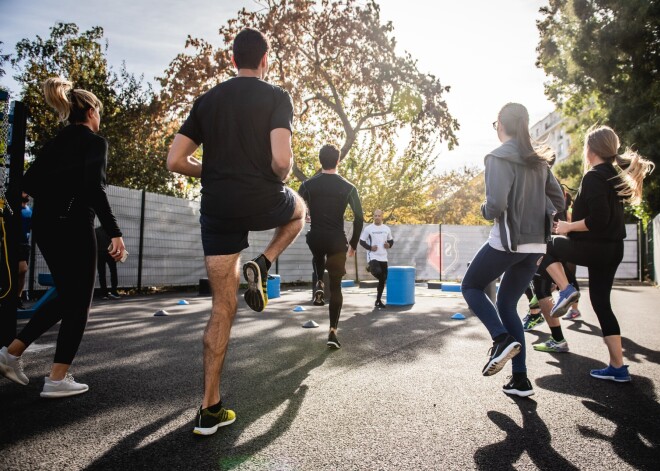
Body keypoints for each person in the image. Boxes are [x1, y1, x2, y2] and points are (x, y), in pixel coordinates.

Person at [166, 28, 305, 436]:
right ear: (265, 61)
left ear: (232, 61)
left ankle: (210, 408)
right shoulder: (277, 97)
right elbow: (281, 161)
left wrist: (210, 170)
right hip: (263, 199)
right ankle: (263, 261)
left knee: (221, 309)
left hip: (219, 209)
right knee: (299, 211)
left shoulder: (207, 101)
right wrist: (280, 174)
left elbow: (175, 160)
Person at [0, 77, 126, 398]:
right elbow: (94, 189)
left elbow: (27, 183)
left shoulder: (56, 142)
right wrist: (114, 233)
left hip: (46, 227)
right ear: (90, 111)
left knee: (66, 295)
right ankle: (56, 378)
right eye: (99, 112)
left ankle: (11, 353)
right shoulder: (95, 143)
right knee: (79, 301)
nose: (100, 118)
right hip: (73, 227)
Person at [460, 103, 565, 397]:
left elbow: (495, 206)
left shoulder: (496, 156)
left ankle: (500, 338)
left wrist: (483, 209)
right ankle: (520, 379)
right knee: (507, 304)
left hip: (508, 241)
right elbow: (559, 201)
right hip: (535, 246)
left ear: (501, 126)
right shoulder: (540, 161)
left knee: (470, 285)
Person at [540, 125, 654, 382]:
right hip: (613, 249)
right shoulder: (613, 176)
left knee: (543, 246)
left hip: (595, 247)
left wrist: (569, 226)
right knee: (602, 304)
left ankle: (566, 289)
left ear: (590, 150)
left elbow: (599, 219)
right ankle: (618, 366)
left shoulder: (593, 176)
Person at [298, 144, 364, 349]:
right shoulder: (349, 187)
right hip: (337, 241)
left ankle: (318, 281)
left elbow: (296, 208)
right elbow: (359, 218)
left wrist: (306, 215)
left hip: (316, 237)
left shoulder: (308, 185)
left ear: (320, 160)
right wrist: (353, 244)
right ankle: (333, 333)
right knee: (336, 287)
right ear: (338, 161)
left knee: (317, 253)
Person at [359, 209, 393, 309]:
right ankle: (371, 267)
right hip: (372, 256)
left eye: (379, 216)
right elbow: (361, 241)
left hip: (383, 257)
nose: (377, 217)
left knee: (383, 279)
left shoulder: (386, 228)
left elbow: (391, 241)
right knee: (378, 272)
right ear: (373, 217)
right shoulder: (368, 229)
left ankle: (378, 300)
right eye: (375, 216)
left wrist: (389, 245)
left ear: (382, 216)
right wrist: (370, 248)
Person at [95, 226, 120, 299]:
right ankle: (114, 292)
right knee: (113, 272)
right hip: (111, 254)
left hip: (100, 254)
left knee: (102, 274)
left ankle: (104, 294)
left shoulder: (96, 231)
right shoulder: (112, 230)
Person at [17, 192, 32, 309]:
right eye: (24, 192)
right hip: (14, 244)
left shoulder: (29, 210)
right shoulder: (13, 208)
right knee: (22, 269)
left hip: (25, 245)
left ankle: (18, 298)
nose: (27, 194)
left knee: (22, 274)